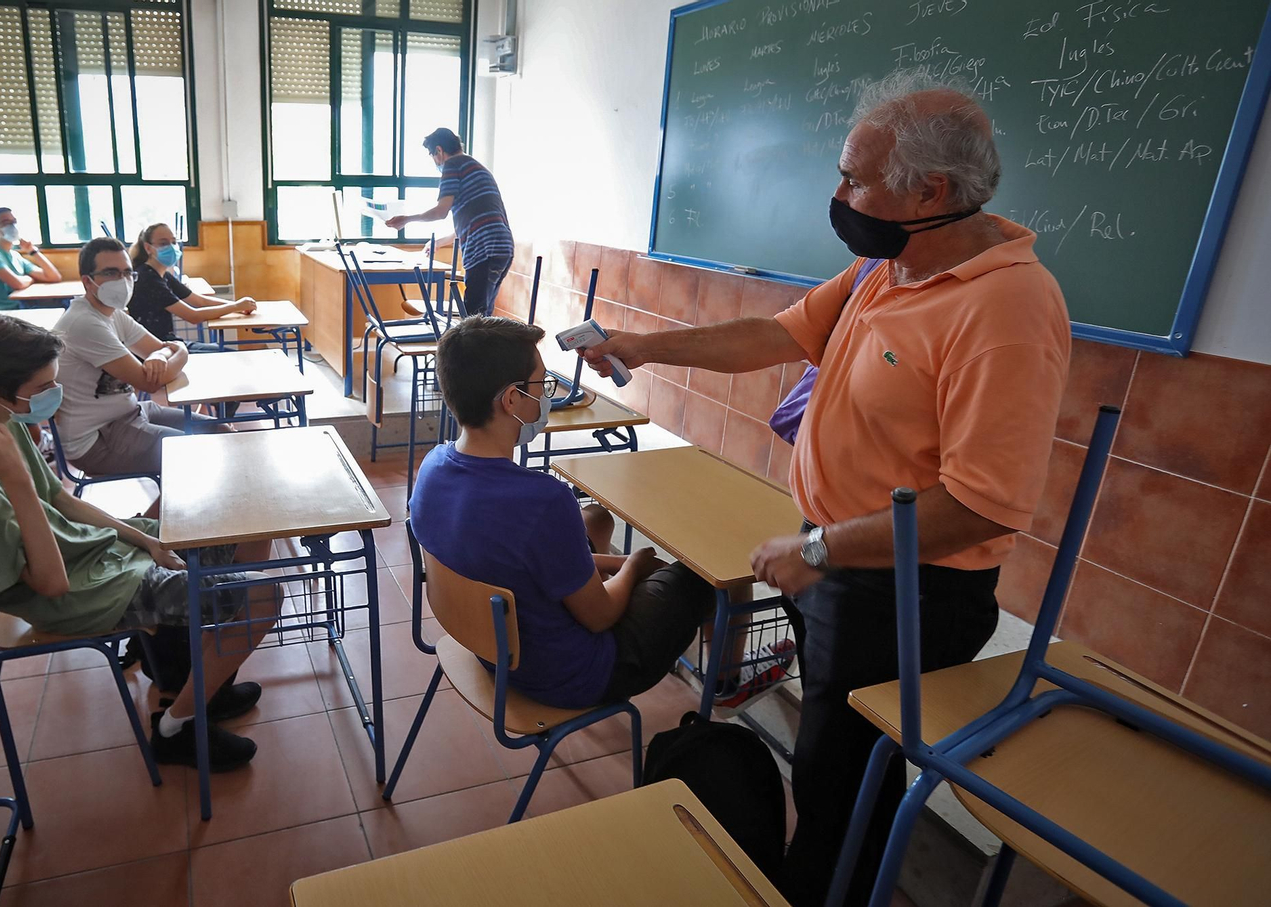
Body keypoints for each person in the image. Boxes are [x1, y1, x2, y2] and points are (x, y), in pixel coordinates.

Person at [579, 72, 1071, 906]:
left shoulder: (1007, 309)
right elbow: (777, 333)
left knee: (845, 784)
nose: (838, 194)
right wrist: (641, 345)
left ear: (931, 191)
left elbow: (983, 506)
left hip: (905, 594)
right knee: (825, 761)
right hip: (837, 564)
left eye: (855, 177)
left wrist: (819, 547)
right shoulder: (892, 265)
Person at [0, 313, 275, 769]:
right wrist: (17, 482)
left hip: (94, 554)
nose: (55, 394)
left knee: (245, 534)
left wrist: (140, 539)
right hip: (78, 592)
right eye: (43, 386)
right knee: (261, 593)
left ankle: (202, 684)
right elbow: (51, 584)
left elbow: (61, 502)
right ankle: (178, 727)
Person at [410, 316, 792, 712]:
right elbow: (600, 616)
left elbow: (519, 560)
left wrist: (616, 562)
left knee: (593, 518)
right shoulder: (542, 501)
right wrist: (635, 566)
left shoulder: (434, 467)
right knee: (716, 573)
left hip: (496, 652)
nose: (546, 397)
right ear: (511, 399)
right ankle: (728, 686)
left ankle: (688, 640)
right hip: (574, 676)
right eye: (542, 385)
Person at [52, 236, 193, 510]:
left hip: (130, 414)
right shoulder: (84, 323)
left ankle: (203, 533)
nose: (123, 280)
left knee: (221, 431)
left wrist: (166, 353)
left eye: (127, 272)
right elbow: (149, 381)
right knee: (190, 456)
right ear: (87, 281)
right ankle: (149, 538)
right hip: (97, 438)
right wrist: (177, 352)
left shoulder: (112, 313)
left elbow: (162, 348)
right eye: (110, 273)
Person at [386, 128, 513, 316]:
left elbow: (440, 211)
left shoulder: (453, 165)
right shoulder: (476, 167)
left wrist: (406, 220)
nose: (435, 162)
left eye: (432, 156)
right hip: (503, 247)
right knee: (482, 315)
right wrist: (438, 243)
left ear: (439, 150)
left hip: (484, 248)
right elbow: (471, 225)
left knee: (472, 318)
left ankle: (468, 346)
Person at [127, 222, 256, 352]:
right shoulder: (148, 278)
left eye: (173, 242)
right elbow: (193, 316)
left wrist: (238, 307)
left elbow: (200, 301)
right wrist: (236, 306)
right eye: (163, 243)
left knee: (229, 353)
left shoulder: (161, 274)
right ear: (148, 248)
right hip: (155, 350)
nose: (171, 247)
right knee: (231, 357)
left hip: (169, 343)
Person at [0, 207, 63, 311]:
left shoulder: (15, 256)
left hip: (22, 305)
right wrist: (31, 278)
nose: (12, 226)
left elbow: (54, 277)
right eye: (6, 222)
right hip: (4, 311)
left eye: (14, 222)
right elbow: (17, 284)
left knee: (65, 303)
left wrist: (33, 251)